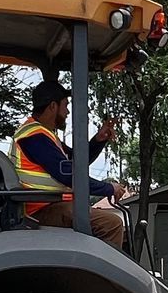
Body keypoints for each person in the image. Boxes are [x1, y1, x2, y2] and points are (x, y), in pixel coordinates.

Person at [9, 78, 130, 250]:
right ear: (53, 106)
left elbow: (74, 162)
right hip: (41, 208)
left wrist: (98, 140)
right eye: (65, 105)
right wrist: (108, 188)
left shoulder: (42, 134)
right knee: (111, 223)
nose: (67, 112)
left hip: (48, 205)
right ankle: (99, 276)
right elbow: (68, 175)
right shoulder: (35, 137)